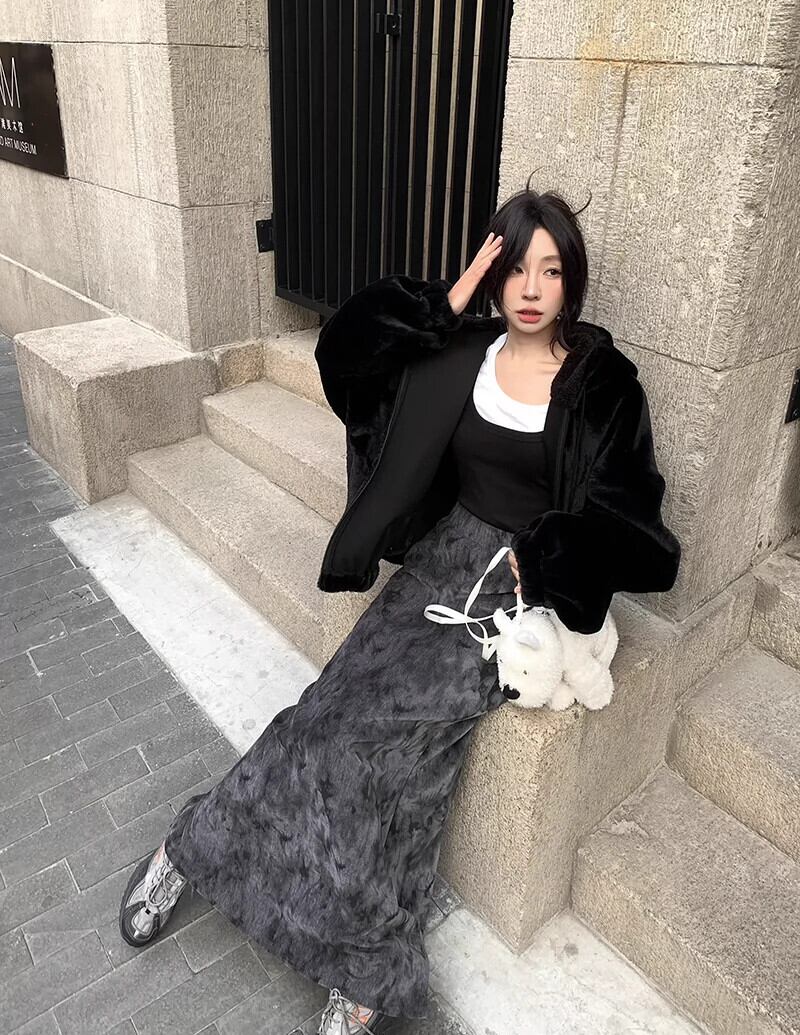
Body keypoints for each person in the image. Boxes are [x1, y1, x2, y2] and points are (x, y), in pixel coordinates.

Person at [119, 182, 681, 1033]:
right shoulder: (466, 350)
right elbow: (346, 359)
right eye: (515, 268)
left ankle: (367, 976)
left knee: (397, 766)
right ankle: (190, 847)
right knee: (321, 720)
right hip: (435, 565)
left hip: (506, 599)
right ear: (493, 273)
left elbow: (643, 538)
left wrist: (550, 554)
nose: (532, 288)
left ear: (573, 281)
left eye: (552, 270)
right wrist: (446, 304)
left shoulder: (601, 385)